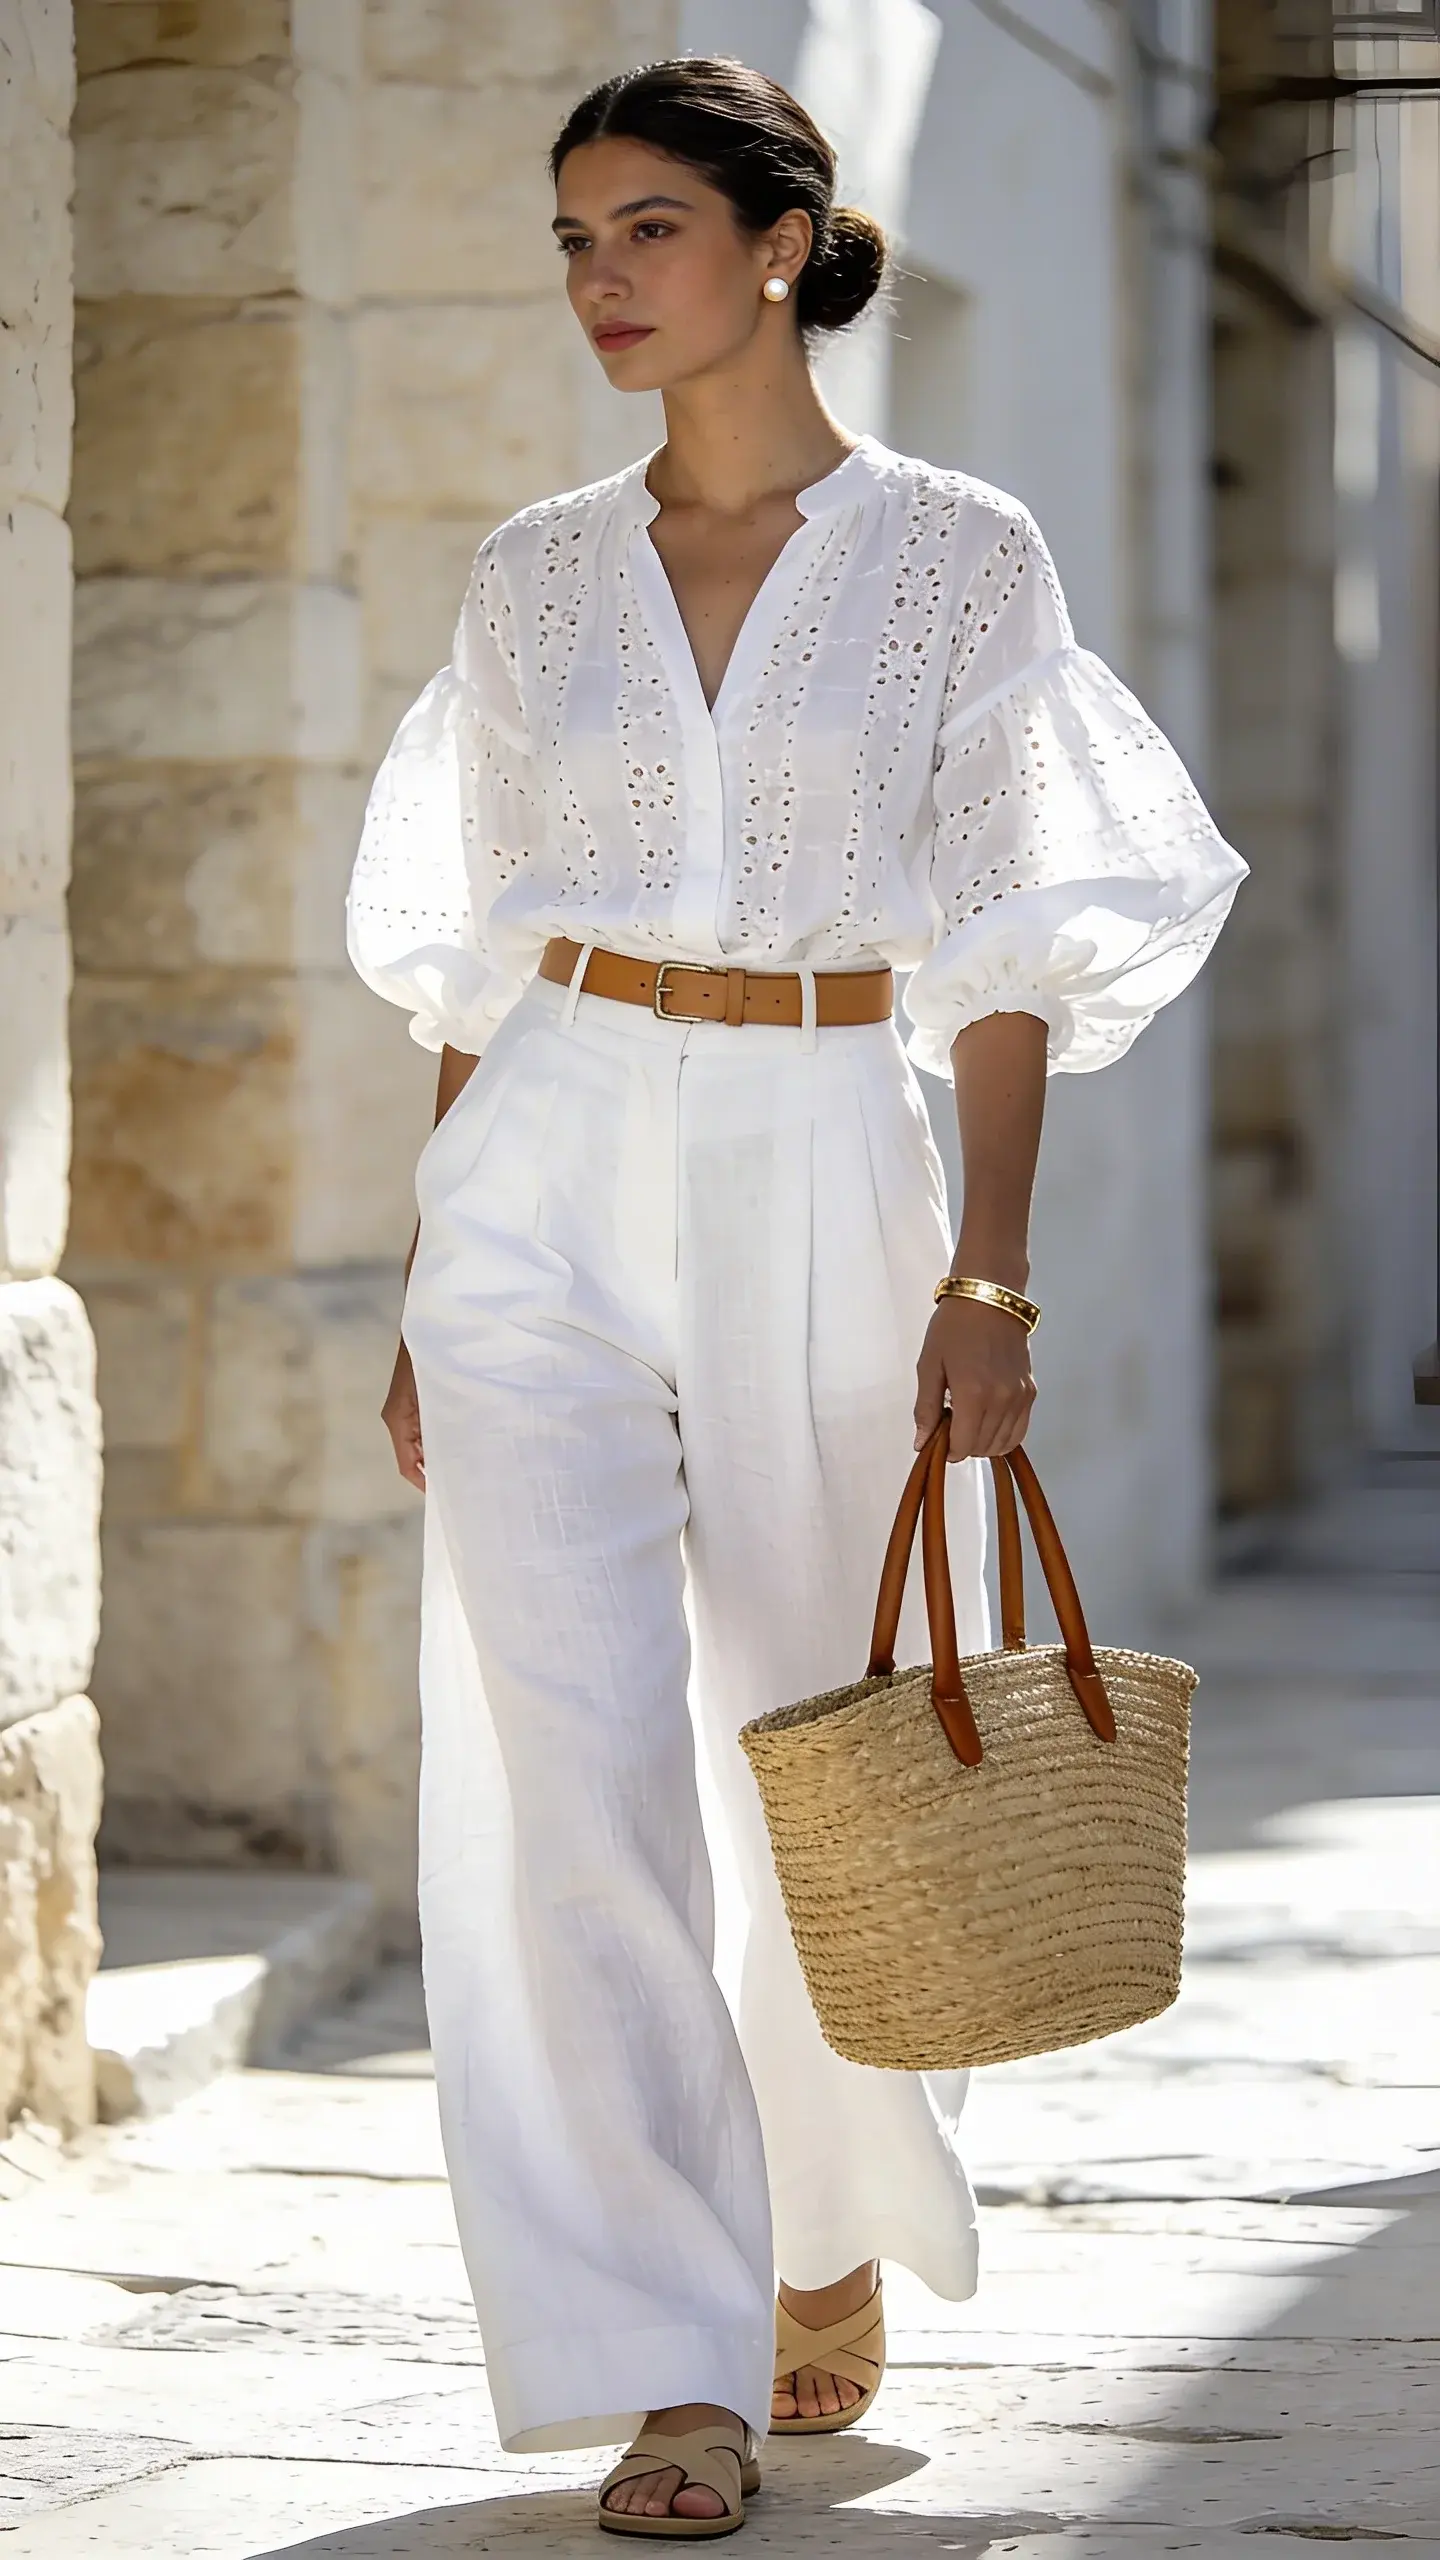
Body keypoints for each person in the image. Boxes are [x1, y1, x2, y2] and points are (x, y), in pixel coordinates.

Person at [347, 55, 1246, 2542]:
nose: (599, 279)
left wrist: (993, 1266)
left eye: (647, 226)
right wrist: (429, 1274)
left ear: (781, 241)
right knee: (565, 1773)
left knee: (814, 1737)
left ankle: (827, 2198)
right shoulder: (534, 575)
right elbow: (475, 956)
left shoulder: (958, 555)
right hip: (542, 1158)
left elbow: (1016, 941)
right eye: (573, 238)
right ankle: (671, 2351)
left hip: (829, 1144)